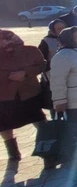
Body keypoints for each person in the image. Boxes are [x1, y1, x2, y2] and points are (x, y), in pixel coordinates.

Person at [1, 30, 47, 161]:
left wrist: (26, 72)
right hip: (4, 96)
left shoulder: (30, 50)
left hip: (29, 93)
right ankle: (13, 152)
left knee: (39, 120)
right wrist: (8, 76)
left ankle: (47, 147)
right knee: (4, 125)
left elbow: (42, 65)